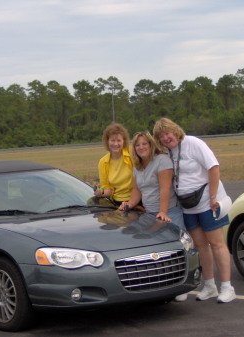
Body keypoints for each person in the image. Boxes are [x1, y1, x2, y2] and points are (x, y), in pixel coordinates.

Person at [153, 117, 236, 303]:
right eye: (161, 136)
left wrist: (214, 196)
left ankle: (227, 286)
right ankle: (209, 285)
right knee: (200, 245)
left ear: (175, 130)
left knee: (216, 243)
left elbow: (213, 167)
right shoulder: (167, 152)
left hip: (208, 202)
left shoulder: (193, 143)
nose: (166, 138)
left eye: (168, 133)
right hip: (188, 205)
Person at [118, 131, 187, 302]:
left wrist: (162, 212)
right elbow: (137, 190)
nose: (141, 147)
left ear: (151, 145)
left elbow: (165, 188)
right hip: (149, 214)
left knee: (176, 249)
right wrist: (128, 204)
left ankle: (182, 286)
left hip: (169, 211)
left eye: (144, 144)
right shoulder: (137, 165)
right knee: (157, 252)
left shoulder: (161, 160)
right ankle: (162, 285)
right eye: (138, 145)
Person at [95, 123, 133, 206]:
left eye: (119, 140)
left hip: (135, 200)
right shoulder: (103, 162)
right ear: (107, 141)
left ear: (124, 141)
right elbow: (108, 189)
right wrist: (101, 192)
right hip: (116, 203)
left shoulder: (131, 155)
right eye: (112, 140)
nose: (116, 144)